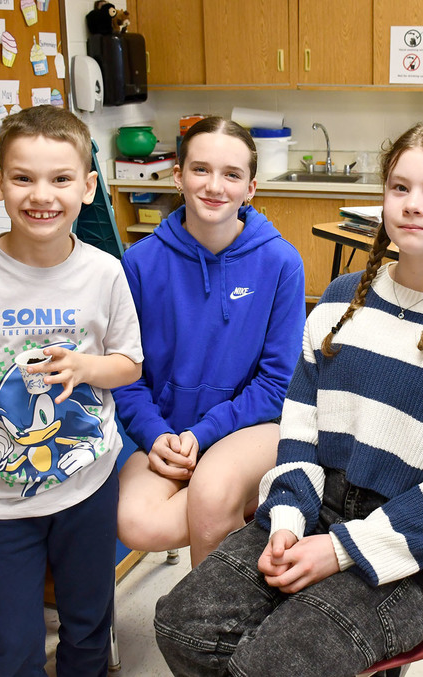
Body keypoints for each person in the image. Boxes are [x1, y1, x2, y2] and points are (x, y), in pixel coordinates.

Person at [153, 122, 423, 676]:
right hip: (315, 509)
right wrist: (289, 522)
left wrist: (338, 550)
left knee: (269, 666)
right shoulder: (339, 304)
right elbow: (298, 429)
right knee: (183, 626)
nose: (412, 205)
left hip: (415, 548)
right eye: (399, 188)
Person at [0, 105, 143, 675]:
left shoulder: (104, 271)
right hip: (2, 498)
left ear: (87, 186)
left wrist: (85, 368)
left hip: (88, 485)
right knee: (11, 647)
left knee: (87, 628)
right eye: (23, 177)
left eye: (60, 179)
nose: (42, 195)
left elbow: (129, 364)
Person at [113, 116, 305, 567]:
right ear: (177, 176)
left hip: (249, 428)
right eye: (200, 170)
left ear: (251, 188)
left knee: (212, 493)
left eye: (231, 174)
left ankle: (207, 632)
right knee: (137, 522)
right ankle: (246, 517)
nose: (214, 186)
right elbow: (125, 374)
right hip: (169, 432)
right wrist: (156, 434)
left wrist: (204, 434)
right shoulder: (139, 264)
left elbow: (278, 384)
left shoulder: (280, 262)